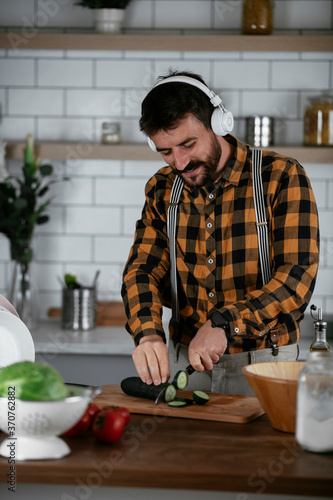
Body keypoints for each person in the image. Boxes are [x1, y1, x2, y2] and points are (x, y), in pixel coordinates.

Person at [121, 69, 319, 396]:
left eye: (188, 144)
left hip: (266, 364)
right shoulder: (162, 188)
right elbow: (142, 270)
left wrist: (224, 323)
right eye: (166, 151)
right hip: (187, 364)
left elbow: (296, 277)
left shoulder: (280, 176)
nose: (180, 162)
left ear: (218, 124)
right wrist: (148, 334)